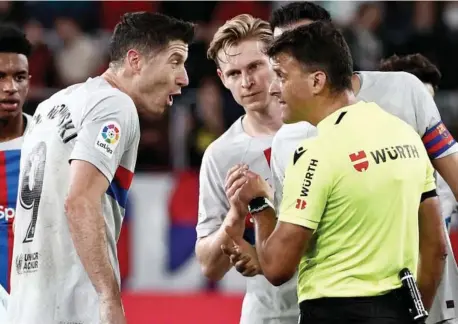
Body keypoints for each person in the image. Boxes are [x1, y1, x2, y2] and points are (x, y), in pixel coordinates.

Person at [227, 21, 446, 324]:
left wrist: (259, 203)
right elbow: (436, 249)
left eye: (281, 76)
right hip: (401, 310)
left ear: (317, 81)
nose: (273, 88)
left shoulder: (315, 153)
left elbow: (277, 268)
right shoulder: (405, 135)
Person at [7, 12, 194, 324]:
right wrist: (108, 297)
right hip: (71, 304)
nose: (184, 77)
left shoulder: (51, 105)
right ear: (135, 61)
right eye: (175, 61)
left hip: (25, 303)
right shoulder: (114, 105)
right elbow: (80, 201)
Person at [195, 14, 299, 324]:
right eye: (234, 73)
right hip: (269, 314)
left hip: (334, 306)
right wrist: (235, 217)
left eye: (254, 66)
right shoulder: (220, 155)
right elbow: (210, 267)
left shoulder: (318, 127)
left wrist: (267, 258)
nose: (247, 82)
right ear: (221, 78)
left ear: (276, 60)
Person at [379, 53, 458, 324]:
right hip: (377, 301)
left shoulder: (450, 166)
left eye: (428, 103)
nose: (424, 115)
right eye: (415, 103)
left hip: (440, 306)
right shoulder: (362, 162)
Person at [0, 24, 33, 321]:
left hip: (37, 300)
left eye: (18, 77)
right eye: (0, 77)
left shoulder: (52, 143)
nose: (10, 87)